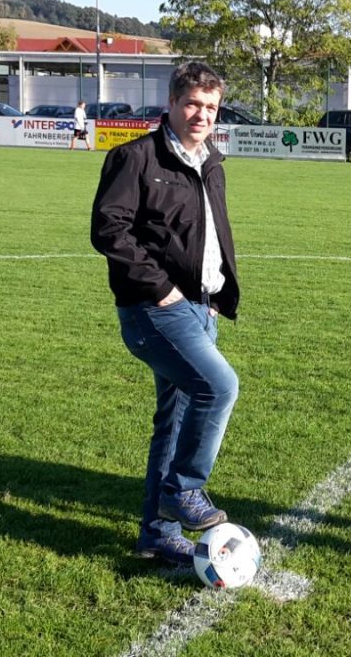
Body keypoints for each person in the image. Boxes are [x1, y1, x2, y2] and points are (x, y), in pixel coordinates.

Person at [90, 61, 241, 565]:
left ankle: (156, 533)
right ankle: (183, 491)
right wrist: (160, 290)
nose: (202, 115)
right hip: (156, 308)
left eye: (211, 107)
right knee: (219, 387)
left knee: (175, 421)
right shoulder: (135, 158)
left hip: (201, 307)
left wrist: (216, 296)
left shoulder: (210, 161)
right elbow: (110, 231)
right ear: (172, 104)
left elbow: (212, 235)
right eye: (193, 104)